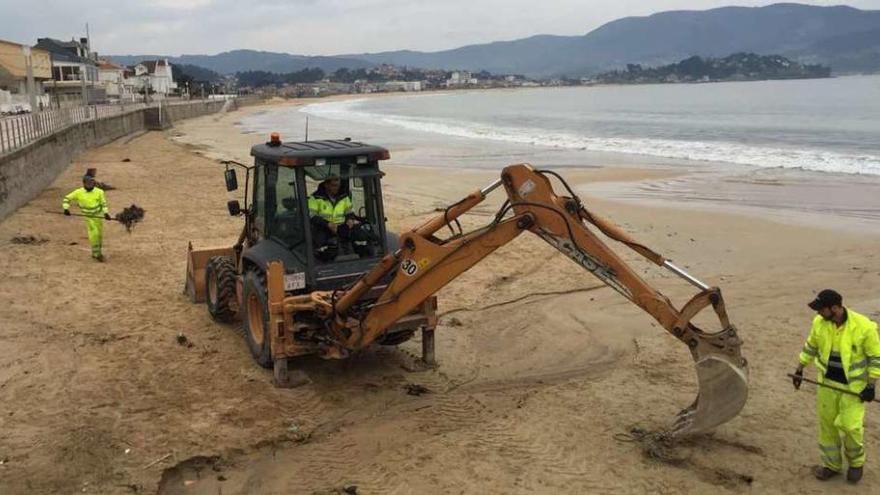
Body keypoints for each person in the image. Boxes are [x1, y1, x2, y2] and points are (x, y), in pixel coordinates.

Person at [793, 289, 880, 483]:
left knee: (850, 426)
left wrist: (871, 385)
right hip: (827, 385)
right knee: (828, 427)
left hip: (853, 389)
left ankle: (857, 462)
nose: (818, 313)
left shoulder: (864, 327)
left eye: (821, 309)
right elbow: (811, 346)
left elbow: (876, 357)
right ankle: (831, 465)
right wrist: (799, 369)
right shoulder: (820, 323)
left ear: (835, 308)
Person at [63, 174, 111, 261]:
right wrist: (66, 208)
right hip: (88, 217)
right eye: (89, 183)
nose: (91, 185)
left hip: (98, 216)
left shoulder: (100, 192)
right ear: (84, 183)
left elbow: (103, 204)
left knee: (99, 235)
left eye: (92, 183)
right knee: (94, 234)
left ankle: (97, 252)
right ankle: (97, 255)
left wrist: (106, 213)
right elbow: (67, 199)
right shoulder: (78, 192)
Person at [307, 177, 354, 261]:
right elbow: (311, 216)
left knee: (360, 236)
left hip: (342, 227)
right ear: (326, 185)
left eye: (338, 186)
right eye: (334, 185)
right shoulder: (315, 198)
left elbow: (349, 211)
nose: (336, 188)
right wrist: (327, 224)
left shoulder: (344, 196)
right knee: (322, 245)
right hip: (323, 228)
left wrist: (350, 219)